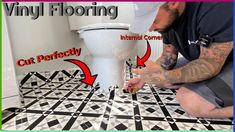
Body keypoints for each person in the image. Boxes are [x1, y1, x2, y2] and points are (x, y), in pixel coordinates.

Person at [124, 2, 233, 118]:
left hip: (227, 61)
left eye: (153, 21)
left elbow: (209, 65)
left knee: (190, 101)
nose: (151, 29)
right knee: (160, 81)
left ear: (173, 3)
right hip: (209, 59)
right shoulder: (169, 20)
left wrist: (164, 76)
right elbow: (168, 58)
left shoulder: (215, 8)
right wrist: (144, 78)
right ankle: (208, 88)